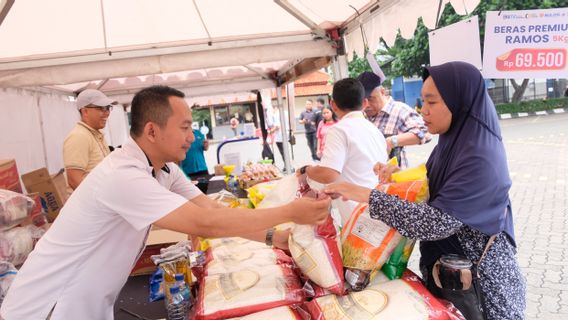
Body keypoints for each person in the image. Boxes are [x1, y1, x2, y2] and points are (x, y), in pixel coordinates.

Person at [0, 86, 330, 319]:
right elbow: (205, 225)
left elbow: (211, 210)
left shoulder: (164, 169)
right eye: (184, 127)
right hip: (49, 307)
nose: (192, 135)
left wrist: (277, 237)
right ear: (152, 131)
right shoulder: (123, 175)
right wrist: (289, 212)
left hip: (87, 302)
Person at [325, 62, 525, 319]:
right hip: (454, 276)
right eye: (423, 101)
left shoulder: (479, 156)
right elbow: (431, 179)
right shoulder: (455, 141)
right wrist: (397, 174)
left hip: (481, 287)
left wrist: (367, 195)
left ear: (459, 101)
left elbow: (436, 223)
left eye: (432, 102)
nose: (423, 111)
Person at [299, 78, 387, 224]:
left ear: (333, 105)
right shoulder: (375, 130)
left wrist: (305, 169)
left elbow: (328, 174)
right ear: (365, 103)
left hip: (359, 215)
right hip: (380, 206)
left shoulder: (339, 130)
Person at [357, 72, 431, 169]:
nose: (366, 105)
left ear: (382, 92)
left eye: (371, 99)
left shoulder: (400, 110)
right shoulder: (361, 115)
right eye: (362, 100)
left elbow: (425, 133)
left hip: (395, 179)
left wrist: (392, 141)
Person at [63, 89, 118, 190]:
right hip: (90, 204)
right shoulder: (79, 136)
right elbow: (74, 180)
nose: (107, 113)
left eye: (108, 108)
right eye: (101, 108)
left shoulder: (95, 134)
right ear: (85, 111)